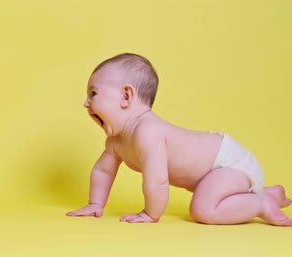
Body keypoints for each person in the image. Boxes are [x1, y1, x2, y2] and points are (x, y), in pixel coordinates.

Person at [66, 53, 292, 225]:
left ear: (126, 96)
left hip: (227, 164)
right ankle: (266, 193)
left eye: (93, 94)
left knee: (203, 210)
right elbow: (103, 172)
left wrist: (150, 214)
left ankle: (261, 203)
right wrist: (95, 204)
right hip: (214, 173)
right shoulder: (116, 142)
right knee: (207, 197)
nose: (86, 103)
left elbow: (157, 181)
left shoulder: (148, 132)